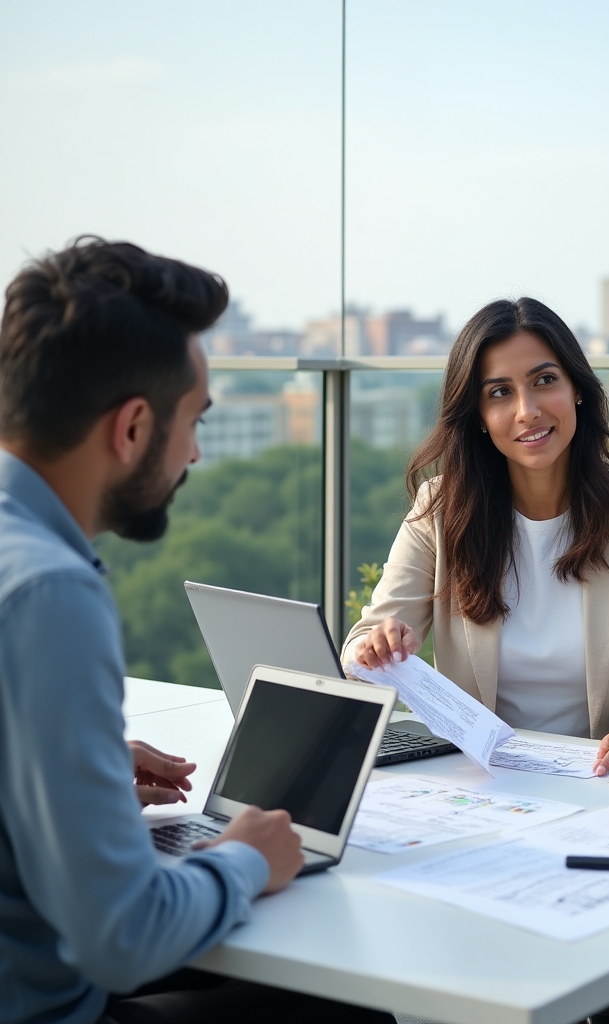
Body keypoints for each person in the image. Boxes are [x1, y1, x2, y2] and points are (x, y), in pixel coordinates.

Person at [0, 239, 396, 1024]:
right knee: (343, 1011)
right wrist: (246, 858)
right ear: (134, 427)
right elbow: (122, 936)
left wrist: (82, 772)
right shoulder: (52, 593)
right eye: (194, 421)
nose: (196, 453)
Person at [343, 297, 609, 773]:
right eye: (500, 393)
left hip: (606, 779)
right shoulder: (442, 509)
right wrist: (376, 648)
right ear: (479, 418)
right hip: (481, 779)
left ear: (576, 389)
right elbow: (362, 644)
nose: (527, 410)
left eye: (544, 381)